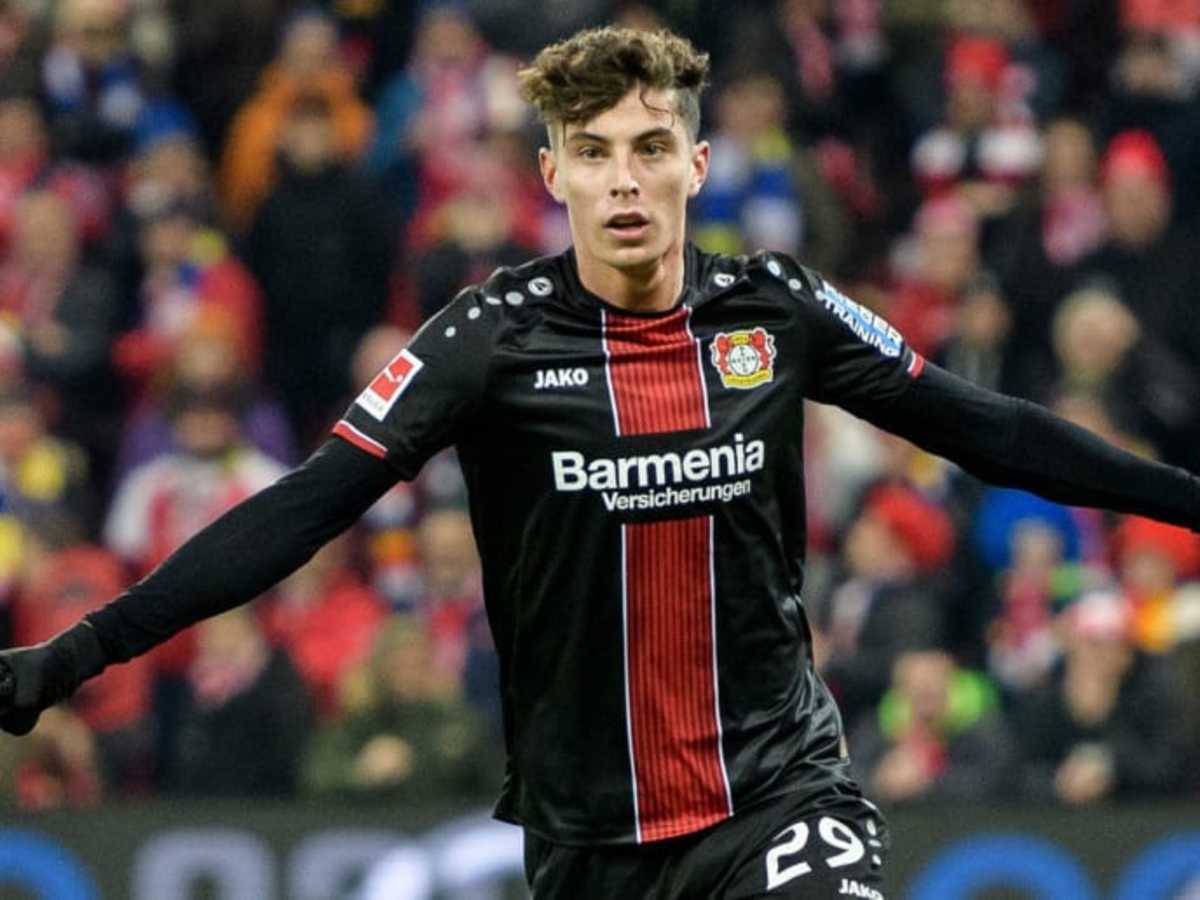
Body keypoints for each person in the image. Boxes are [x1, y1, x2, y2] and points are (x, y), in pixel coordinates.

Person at [3, 26, 1200, 899]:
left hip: (777, 789)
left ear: (697, 165)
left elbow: (989, 427)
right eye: (593, 152)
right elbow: (305, 506)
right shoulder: (487, 341)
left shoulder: (772, 310)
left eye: (650, 146)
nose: (624, 178)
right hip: (592, 839)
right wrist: (78, 652)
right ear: (553, 176)